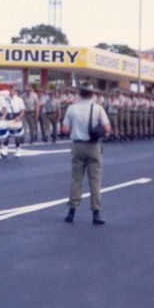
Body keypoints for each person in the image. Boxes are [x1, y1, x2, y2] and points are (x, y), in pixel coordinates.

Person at [61, 83, 111, 225]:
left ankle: (71, 211)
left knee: (76, 180)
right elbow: (107, 128)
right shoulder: (97, 108)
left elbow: (65, 129)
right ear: (92, 94)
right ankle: (96, 213)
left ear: (80, 93)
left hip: (77, 146)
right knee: (95, 181)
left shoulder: (72, 108)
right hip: (93, 146)